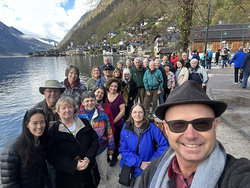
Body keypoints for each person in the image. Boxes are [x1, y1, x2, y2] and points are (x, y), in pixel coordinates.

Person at [139, 80, 250, 188]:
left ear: (215, 125)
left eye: (202, 124)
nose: (190, 136)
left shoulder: (237, 174)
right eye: (178, 125)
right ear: (166, 128)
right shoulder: (151, 172)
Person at [47, 97, 99, 188]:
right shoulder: (53, 131)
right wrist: (73, 166)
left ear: (74, 108)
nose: (67, 110)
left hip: (87, 172)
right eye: (63, 108)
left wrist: (88, 158)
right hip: (66, 176)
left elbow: (94, 141)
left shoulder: (84, 123)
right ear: (58, 111)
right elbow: (51, 156)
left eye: (70, 107)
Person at [119, 104, 169, 187]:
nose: (137, 114)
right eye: (135, 112)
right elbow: (123, 149)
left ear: (144, 114)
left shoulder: (152, 128)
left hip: (145, 166)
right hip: (129, 164)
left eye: (140, 112)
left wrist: (152, 162)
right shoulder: (126, 128)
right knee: (125, 185)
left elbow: (164, 146)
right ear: (131, 114)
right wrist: (139, 163)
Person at [1, 108, 50, 188]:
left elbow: (44, 174)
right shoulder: (11, 150)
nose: (39, 126)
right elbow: (9, 184)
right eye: (35, 123)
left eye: (42, 122)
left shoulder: (40, 145)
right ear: (27, 125)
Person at [76, 91, 115, 187]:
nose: (90, 103)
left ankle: (104, 184)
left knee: (102, 170)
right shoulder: (78, 116)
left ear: (95, 101)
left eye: (92, 100)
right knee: (89, 171)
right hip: (86, 150)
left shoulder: (102, 115)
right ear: (82, 102)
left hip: (101, 148)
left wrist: (111, 147)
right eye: (87, 101)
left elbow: (109, 132)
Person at [106, 78, 125, 167]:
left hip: (116, 123)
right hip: (105, 124)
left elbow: (122, 111)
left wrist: (113, 122)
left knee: (116, 141)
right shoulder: (104, 95)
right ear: (108, 86)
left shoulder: (120, 97)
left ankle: (114, 158)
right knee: (105, 140)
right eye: (112, 86)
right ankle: (106, 156)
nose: (113, 88)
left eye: (115, 87)